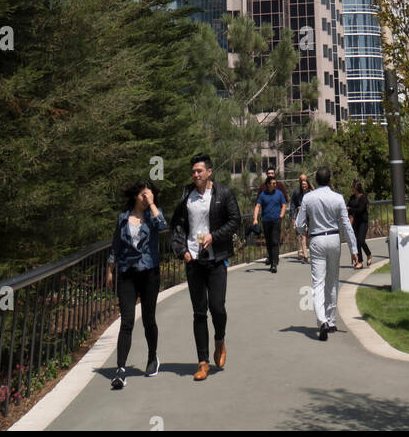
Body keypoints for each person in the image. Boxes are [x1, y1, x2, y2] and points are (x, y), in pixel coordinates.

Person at [169, 154, 241, 381]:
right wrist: (183, 252)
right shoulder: (186, 196)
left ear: (209, 172)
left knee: (217, 307)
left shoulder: (223, 193)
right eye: (193, 172)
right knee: (199, 312)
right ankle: (202, 363)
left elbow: (235, 219)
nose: (195, 175)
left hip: (216, 258)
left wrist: (214, 236)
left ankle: (219, 339)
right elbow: (177, 226)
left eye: (199, 171)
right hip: (194, 260)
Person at [106, 180, 166, 389]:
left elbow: (163, 226)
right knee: (127, 321)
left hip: (149, 273)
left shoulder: (153, 216)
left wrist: (151, 205)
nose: (147, 198)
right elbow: (116, 245)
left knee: (149, 319)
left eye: (150, 195)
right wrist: (110, 269)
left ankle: (152, 357)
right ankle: (121, 368)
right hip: (127, 273)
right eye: (143, 195)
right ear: (135, 197)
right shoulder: (123, 219)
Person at [295, 166, 359, 341]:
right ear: (330, 180)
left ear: (315, 181)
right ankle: (331, 320)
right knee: (333, 280)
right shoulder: (338, 198)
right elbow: (346, 224)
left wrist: (304, 231)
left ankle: (321, 319)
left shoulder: (308, 198)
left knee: (318, 282)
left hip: (316, 238)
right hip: (333, 238)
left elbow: (299, 224)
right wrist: (354, 249)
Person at [252, 175, 287, 272]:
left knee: (275, 241)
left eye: (275, 183)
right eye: (273, 183)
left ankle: (274, 264)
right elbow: (257, 206)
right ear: (268, 184)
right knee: (269, 242)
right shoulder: (263, 195)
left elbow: (284, 205)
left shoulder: (279, 194)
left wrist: (281, 216)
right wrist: (255, 219)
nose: (275, 185)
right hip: (266, 221)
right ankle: (271, 260)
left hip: (276, 220)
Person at [347, 179, 372, 267]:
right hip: (355, 222)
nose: (352, 189)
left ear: (356, 188)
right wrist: (349, 215)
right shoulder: (352, 198)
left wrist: (350, 209)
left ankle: (368, 254)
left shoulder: (363, 198)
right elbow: (348, 207)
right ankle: (360, 261)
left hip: (363, 222)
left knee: (361, 240)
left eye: (353, 187)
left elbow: (360, 210)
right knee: (356, 241)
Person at [290, 174, 312, 262]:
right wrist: (293, 218)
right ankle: (303, 253)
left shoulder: (311, 192)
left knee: (309, 234)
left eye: (305, 182)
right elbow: (292, 205)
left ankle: (309, 251)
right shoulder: (296, 192)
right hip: (300, 215)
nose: (304, 185)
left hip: (310, 215)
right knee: (301, 235)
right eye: (302, 182)